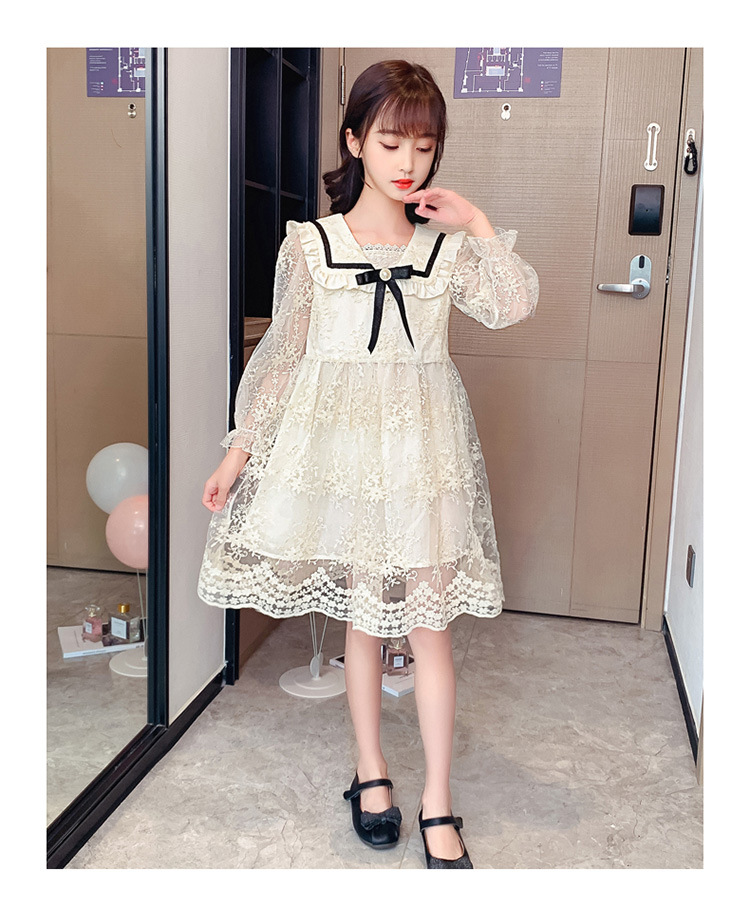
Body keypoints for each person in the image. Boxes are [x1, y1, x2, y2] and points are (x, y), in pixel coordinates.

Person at [198, 59, 539, 869]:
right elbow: (283, 358)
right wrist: (240, 450)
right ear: (354, 141)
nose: (408, 161)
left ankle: (438, 800)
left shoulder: (446, 249)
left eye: (424, 145)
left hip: (425, 456)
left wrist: (476, 221)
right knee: (362, 619)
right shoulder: (310, 246)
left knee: (430, 628)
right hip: (343, 455)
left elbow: (514, 303)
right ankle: (371, 771)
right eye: (391, 142)